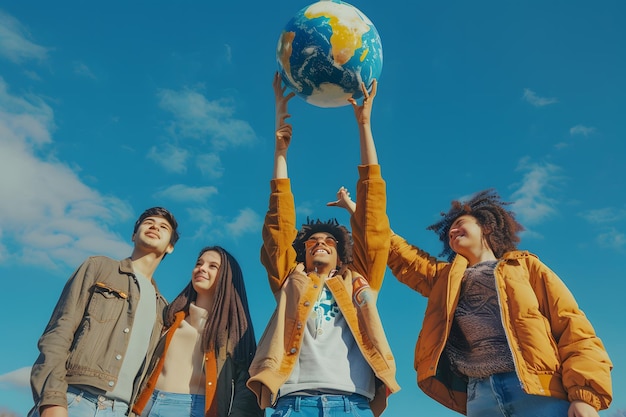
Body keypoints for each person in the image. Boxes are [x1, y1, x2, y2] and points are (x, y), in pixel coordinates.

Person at [332, 189, 613, 417]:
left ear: (487, 227)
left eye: (459, 224)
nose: (452, 232)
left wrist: (585, 396)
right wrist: (359, 213)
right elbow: (397, 252)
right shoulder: (444, 278)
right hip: (481, 397)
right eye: (449, 231)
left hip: (538, 392)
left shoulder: (525, 267)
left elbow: (574, 329)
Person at [246, 73, 400, 417]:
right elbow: (278, 225)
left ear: (341, 253)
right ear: (302, 251)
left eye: (330, 241)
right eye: (313, 241)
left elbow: (373, 222)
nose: (321, 244)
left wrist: (364, 124)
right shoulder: (290, 279)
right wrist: (280, 153)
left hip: (353, 405)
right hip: (292, 403)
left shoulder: (359, 280)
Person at [29, 207, 180, 417]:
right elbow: (59, 331)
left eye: (163, 227)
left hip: (120, 410)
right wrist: (52, 400)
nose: (155, 226)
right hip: (73, 399)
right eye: (148, 222)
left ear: (170, 247)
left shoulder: (163, 307)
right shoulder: (99, 268)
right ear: (133, 235)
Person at [131, 245, 262, 417]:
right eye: (199, 263)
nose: (202, 268)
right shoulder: (167, 318)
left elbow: (247, 390)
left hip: (194, 409)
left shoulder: (234, 336)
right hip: (146, 405)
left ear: (227, 277)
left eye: (212, 266)